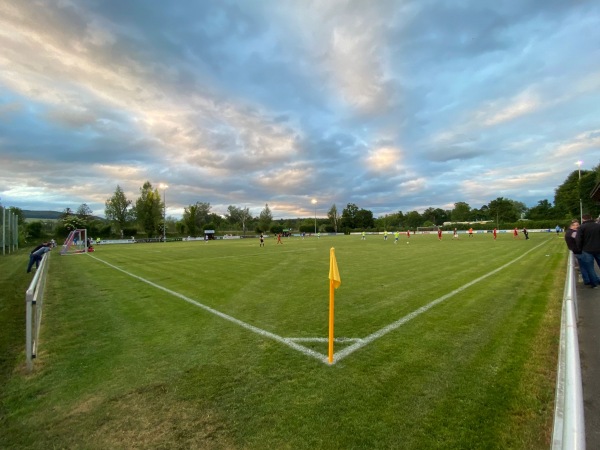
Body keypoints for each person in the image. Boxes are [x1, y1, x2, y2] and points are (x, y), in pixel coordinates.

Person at [565, 219, 597, 287]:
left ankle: (587, 280)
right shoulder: (574, 233)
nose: (577, 226)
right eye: (575, 225)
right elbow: (580, 241)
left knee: (583, 267)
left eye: (577, 225)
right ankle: (594, 281)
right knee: (589, 267)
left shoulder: (569, 232)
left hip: (576, 251)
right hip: (579, 251)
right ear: (571, 226)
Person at [575, 214, 600, 288]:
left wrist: (579, 249)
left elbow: (578, 239)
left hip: (587, 250)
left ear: (583, 219)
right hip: (598, 249)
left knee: (590, 268)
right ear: (591, 218)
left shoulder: (581, 227)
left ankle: (594, 284)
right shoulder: (598, 225)